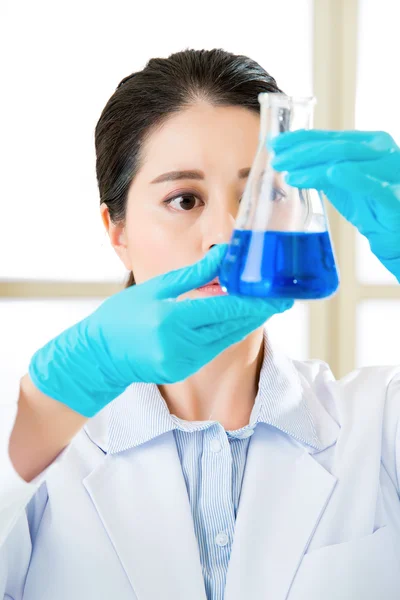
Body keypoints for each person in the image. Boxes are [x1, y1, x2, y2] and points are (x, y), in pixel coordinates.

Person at [1, 48, 400, 600]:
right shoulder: (33, 455)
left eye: (261, 194)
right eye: (184, 199)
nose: (227, 233)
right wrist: (67, 384)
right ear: (117, 232)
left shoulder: (380, 425)